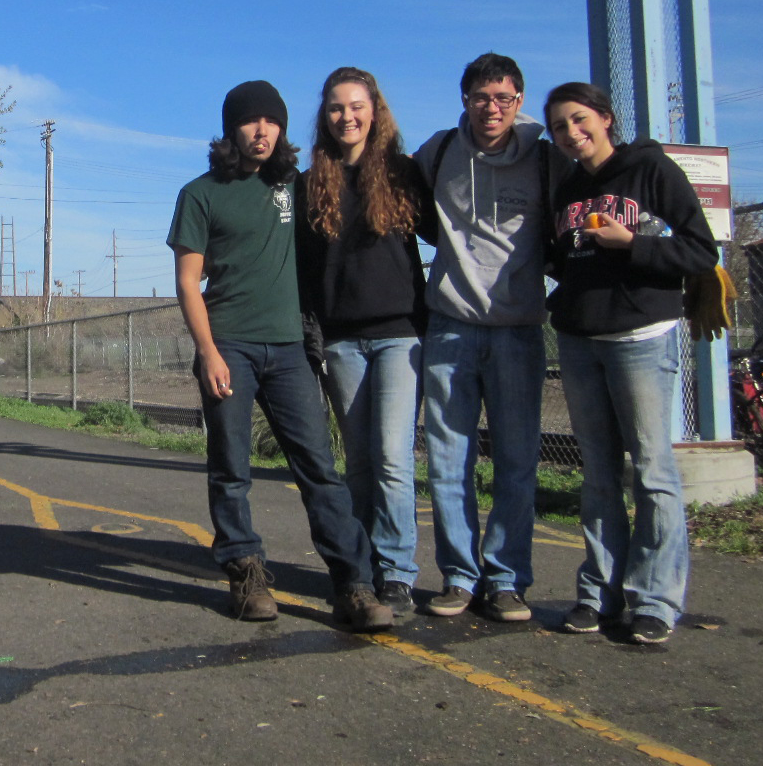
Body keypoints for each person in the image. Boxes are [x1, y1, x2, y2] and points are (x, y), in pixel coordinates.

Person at [168, 80, 392, 632]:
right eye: (250, 121)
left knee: (319, 468)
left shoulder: (293, 185)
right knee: (231, 468)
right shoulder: (201, 193)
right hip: (230, 349)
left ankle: (354, 586)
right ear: (231, 129)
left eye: (272, 121)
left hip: (289, 349)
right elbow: (187, 282)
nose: (262, 130)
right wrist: (209, 352)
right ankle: (246, 572)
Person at [542, 82, 717, 644]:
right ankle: (599, 592)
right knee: (597, 474)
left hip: (641, 333)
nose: (571, 133)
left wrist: (630, 245)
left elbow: (699, 250)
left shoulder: (650, 171)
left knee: (650, 468)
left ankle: (655, 599)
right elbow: (561, 254)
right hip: (579, 337)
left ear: (604, 119)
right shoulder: (567, 186)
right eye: (560, 126)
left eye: (579, 120)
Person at [412, 53, 568, 621]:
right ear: (465, 100)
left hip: (519, 329)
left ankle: (506, 579)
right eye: (481, 98)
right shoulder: (438, 153)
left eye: (503, 98)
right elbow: (412, 211)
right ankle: (458, 576)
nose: (492, 108)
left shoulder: (547, 158)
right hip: (450, 325)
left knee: (517, 461)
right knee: (448, 462)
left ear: (519, 101)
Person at [296, 67, 431, 616]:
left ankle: (397, 571)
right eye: (335, 108)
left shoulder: (400, 174)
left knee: (393, 458)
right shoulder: (312, 184)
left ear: (375, 111)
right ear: (324, 117)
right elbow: (305, 270)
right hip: (342, 341)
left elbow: (449, 233)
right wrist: (313, 337)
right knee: (358, 463)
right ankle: (362, 567)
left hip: (401, 336)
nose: (346, 116)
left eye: (356, 106)